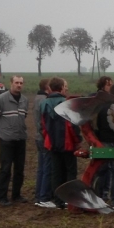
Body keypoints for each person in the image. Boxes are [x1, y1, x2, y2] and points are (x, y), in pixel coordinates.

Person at [40, 77, 81, 209]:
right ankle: (70, 200)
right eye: (65, 86)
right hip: (67, 143)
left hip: (52, 143)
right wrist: (77, 140)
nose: (67, 89)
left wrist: (47, 139)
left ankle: (58, 201)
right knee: (70, 172)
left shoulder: (44, 104)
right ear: (62, 88)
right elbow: (71, 125)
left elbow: (43, 125)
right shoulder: (67, 103)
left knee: (56, 172)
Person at [0, 75, 28, 206]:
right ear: (11, 83)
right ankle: (2, 197)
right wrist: (3, 130)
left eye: (21, 83)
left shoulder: (24, 100)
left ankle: (16, 195)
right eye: (16, 82)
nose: (19, 85)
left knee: (19, 168)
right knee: (5, 168)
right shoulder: (1, 99)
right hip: (6, 139)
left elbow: (23, 117)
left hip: (20, 138)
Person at [33, 78, 56, 208]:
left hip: (38, 137)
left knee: (41, 168)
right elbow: (44, 122)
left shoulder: (36, 98)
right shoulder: (44, 101)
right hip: (44, 138)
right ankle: (44, 197)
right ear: (48, 87)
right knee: (47, 168)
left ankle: (39, 195)